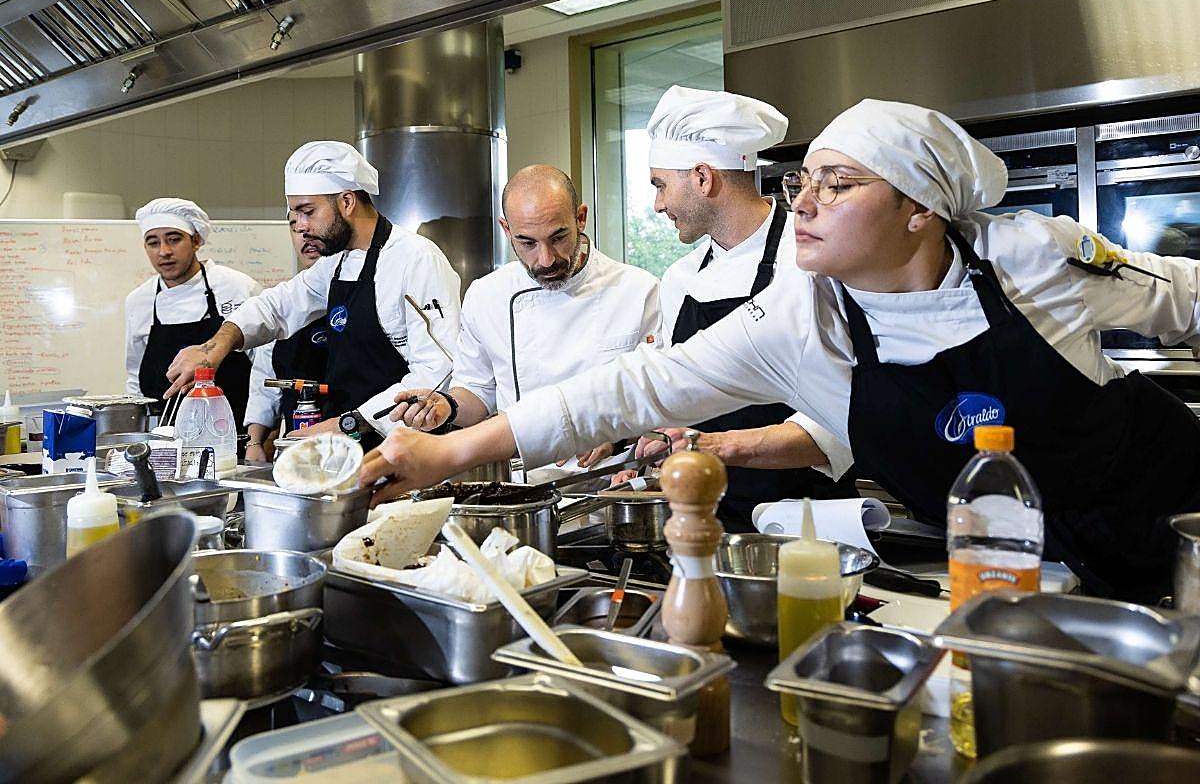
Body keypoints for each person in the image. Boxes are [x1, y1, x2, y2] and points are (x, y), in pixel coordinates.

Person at [361, 99, 1200, 603]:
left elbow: (1186, 299)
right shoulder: (800, 318)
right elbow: (632, 388)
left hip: (1179, 519)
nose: (804, 203)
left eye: (840, 184)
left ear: (919, 210)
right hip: (1022, 571)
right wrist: (449, 453)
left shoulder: (1029, 260)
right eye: (805, 183)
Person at [627, 86, 856, 529]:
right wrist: (636, 435)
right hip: (706, 518)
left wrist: (718, 445)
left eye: (660, 185)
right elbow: (677, 389)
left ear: (702, 177)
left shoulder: (812, 263)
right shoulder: (681, 277)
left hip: (808, 522)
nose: (658, 204)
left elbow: (846, 419)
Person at [164, 141, 460, 448]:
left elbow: (437, 371)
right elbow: (279, 305)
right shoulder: (337, 261)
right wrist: (216, 347)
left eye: (308, 212)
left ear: (347, 201)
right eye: (295, 215)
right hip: (347, 445)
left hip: (403, 444)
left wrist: (350, 423)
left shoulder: (415, 259)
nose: (302, 227)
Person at [389, 165, 660, 475]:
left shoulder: (638, 290)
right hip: (524, 482)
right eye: (527, 243)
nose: (546, 259)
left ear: (581, 218)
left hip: (613, 480)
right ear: (506, 230)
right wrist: (446, 406)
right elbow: (477, 391)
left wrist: (616, 436)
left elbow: (658, 396)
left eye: (558, 237)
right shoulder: (487, 295)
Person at [125, 198, 260, 427]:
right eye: (153, 243)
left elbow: (264, 365)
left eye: (174, 239)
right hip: (164, 434)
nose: (164, 251)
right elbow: (134, 377)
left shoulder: (237, 287)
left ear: (196, 241)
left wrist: (262, 428)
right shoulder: (138, 301)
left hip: (234, 429)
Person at [243, 221, 327, 462]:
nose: (305, 235)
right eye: (294, 227)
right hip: (297, 448)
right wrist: (255, 442)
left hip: (359, 442)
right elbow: (264, 383)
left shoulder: (366, 297)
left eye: (312, 217)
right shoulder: (283, 303)